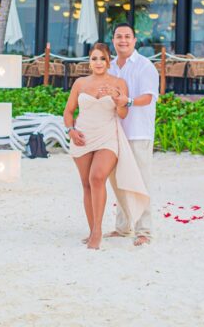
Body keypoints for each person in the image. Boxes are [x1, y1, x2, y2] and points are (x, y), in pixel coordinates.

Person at [64, 43, 149, 250]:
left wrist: (116, 98)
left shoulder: (118, 82)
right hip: (83, 136)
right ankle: (92, 228)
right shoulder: (80, 84)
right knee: (86, 184)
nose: (98, 62)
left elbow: (122, 114)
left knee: (97, 177)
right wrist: (71, 131)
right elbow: (68, 112)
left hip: (107, 136)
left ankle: (98, 232)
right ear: (89, 62)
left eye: (102, 58)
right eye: (94, 58)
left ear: (108, 61)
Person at [105, 23, 159, 246]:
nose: (123, 40)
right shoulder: (109, 68)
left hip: (138, 133)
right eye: (119, 37)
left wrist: (127, 101)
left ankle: (144, 230)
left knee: (140, 183)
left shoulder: (145, 66)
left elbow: (148, 97)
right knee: (118, 181)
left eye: (127, 37)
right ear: (113, 40)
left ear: (135, 41)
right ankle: (123, 227)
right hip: (114, 133)